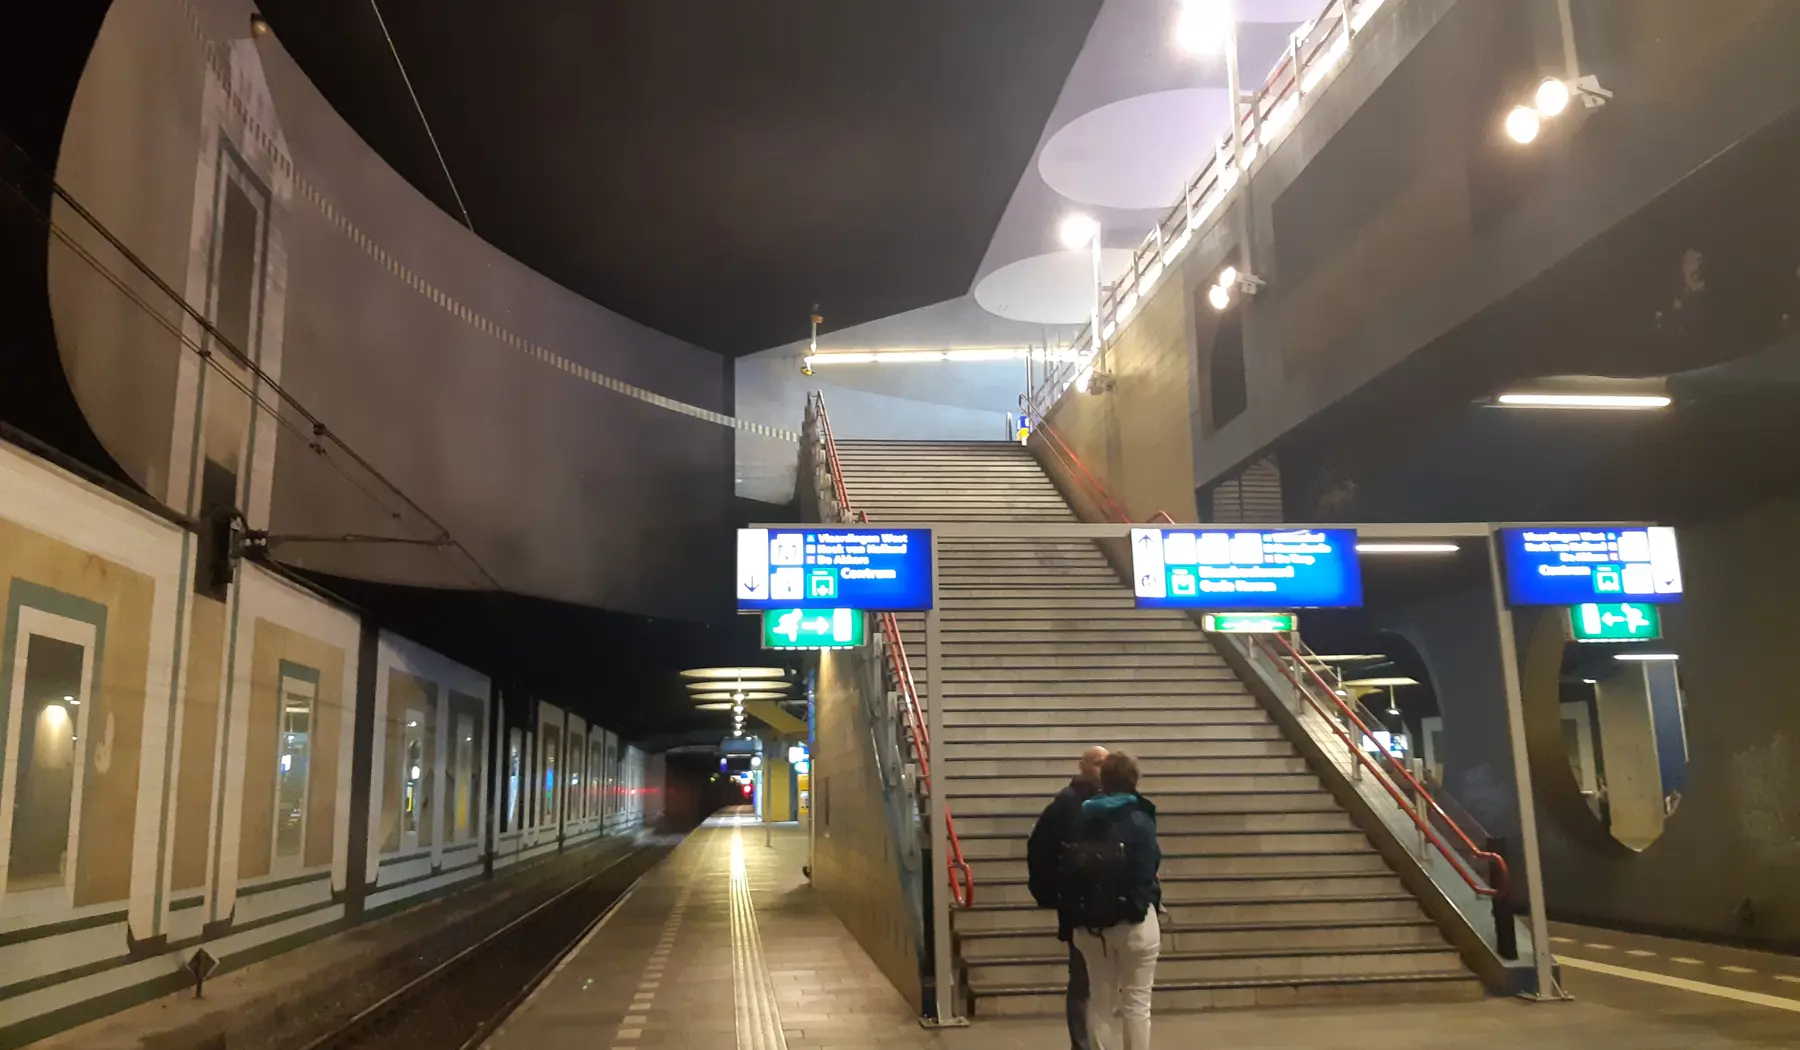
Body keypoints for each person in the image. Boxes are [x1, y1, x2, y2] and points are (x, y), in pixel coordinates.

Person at [1068, 752, 1161, 1050]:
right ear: (1133, 781)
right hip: (1134, 924)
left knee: (1099, 1000)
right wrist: (1137, 907)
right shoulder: (1140, 819)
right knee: (1137, 1003)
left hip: (1091, 926)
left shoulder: (1082, 818)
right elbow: (1147, 870)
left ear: (1103, 781)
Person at [1026, 745, 1108, 1050]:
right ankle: (1083, 1044)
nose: (1102, 769)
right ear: (1083, 765)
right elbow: (1039, 849)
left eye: (1106, 764)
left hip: (1109, 905)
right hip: (1082, 908)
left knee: (1099, 984)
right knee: (1083, 981)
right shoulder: (1066, 804)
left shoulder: (1113, 802)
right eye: (1097, 763)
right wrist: (1051, 894)